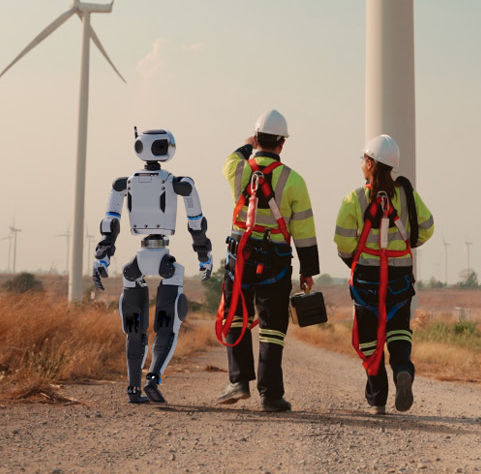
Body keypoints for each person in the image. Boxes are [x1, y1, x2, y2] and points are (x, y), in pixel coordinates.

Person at [93, 128, 211, 404]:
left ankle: (133, 388)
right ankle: (153, 378)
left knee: (134, 326)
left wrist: (102, 257)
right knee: (168, 323)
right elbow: (196, 223)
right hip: (165, 259)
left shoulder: (124, 183)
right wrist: (204, 256)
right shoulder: (180, 183)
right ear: (164, 149)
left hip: (136, 260)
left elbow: (110, 223)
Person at [212, 109, 317, 412]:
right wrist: (308, 270)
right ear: (283, 143)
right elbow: (305, 230)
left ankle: (238, 381)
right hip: (277, 260)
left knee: (235, 315)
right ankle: (271, 395)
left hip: (241, 255)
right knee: (272, 326)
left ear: (256, 138)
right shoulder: (295, 181)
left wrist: (249, 147)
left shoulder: (237, 170)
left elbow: (231, 158)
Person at [331, 133, 433, 413]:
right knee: (399, 330)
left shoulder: (354, 199)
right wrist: (405, 244)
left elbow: (342, 241)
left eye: (364, 159)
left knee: (368, 339)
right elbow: (427, 227)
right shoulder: (407, 195)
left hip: (366, 277)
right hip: (400, 276)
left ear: (370, 164)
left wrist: (357, 259)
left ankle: (377, 400)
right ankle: (403, 370)